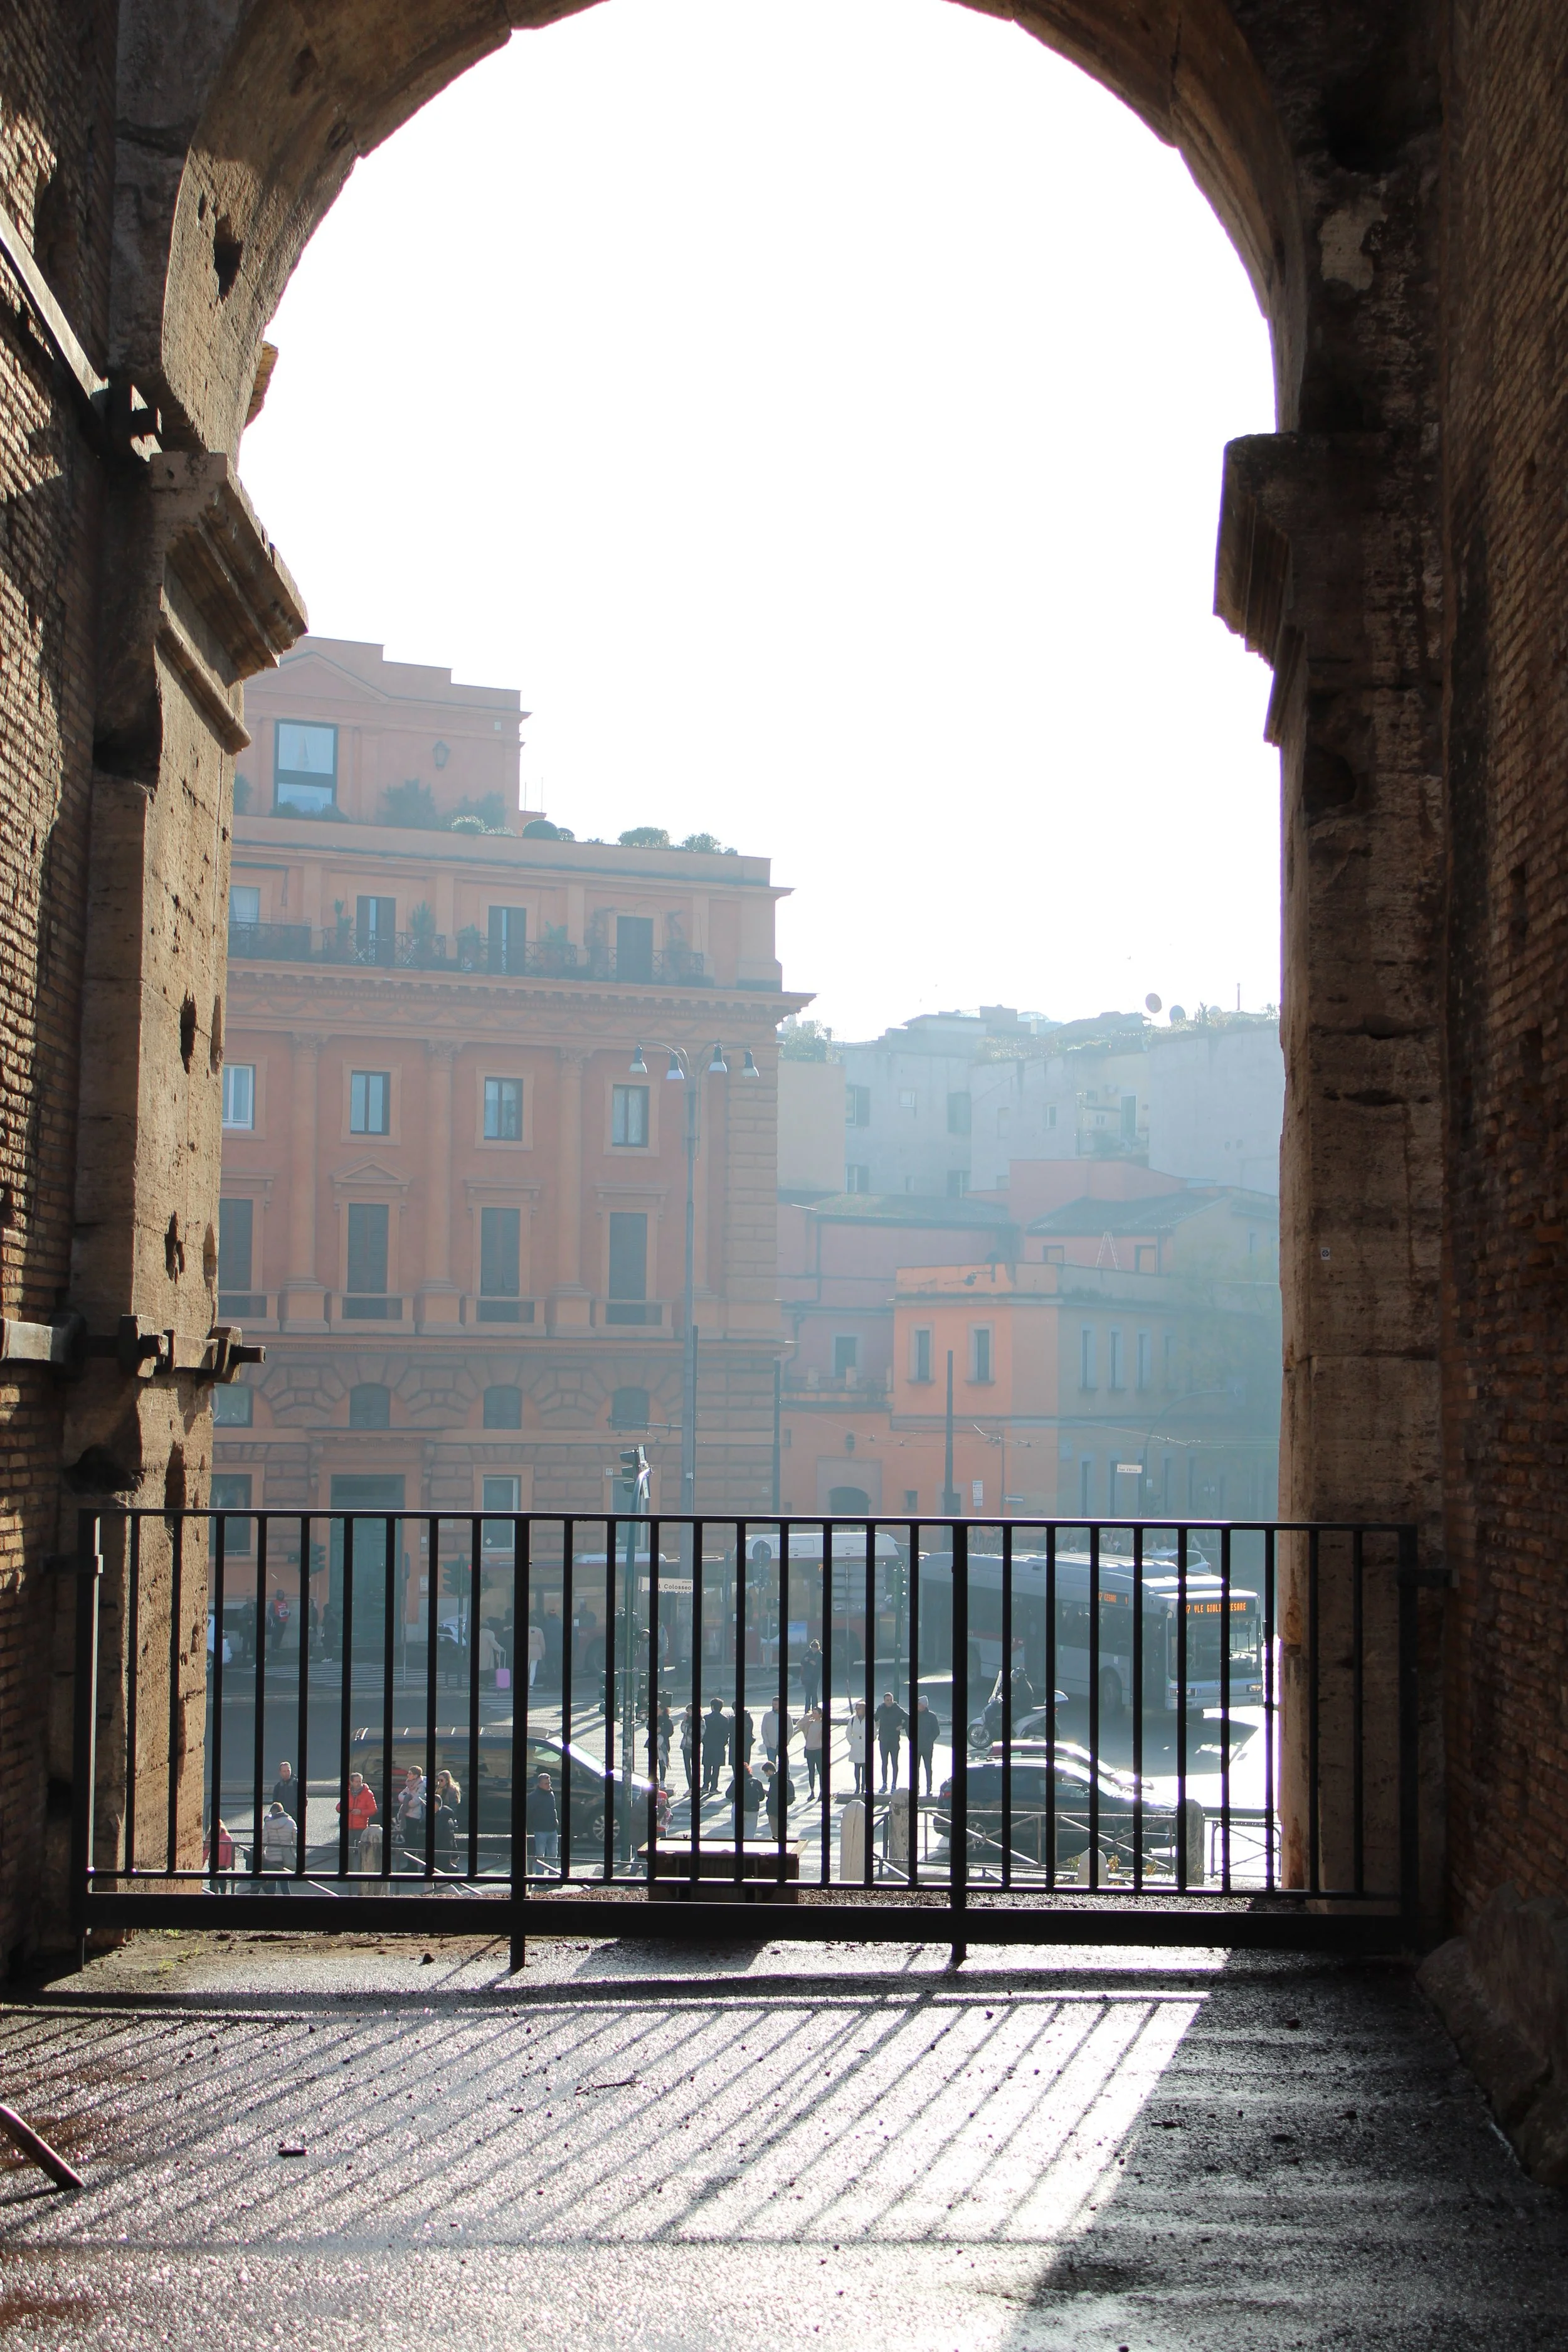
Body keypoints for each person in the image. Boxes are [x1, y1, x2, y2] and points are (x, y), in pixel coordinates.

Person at [337, 1769, 378, 1868]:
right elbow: (338, 1807)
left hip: (361, 1826)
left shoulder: (368, 1794)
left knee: (362, 1852)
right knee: (347, 1852)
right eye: (357, 1781)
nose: (359, 1783)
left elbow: (373, 1810)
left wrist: (361, 1812)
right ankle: (347, 1872)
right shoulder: (347, 1793)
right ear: (352, 1782)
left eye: (360, 1781)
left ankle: (361, 1873)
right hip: (348, 1826)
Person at [875, 1691, 908, 1793]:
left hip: (894, 1740)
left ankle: (894, 1784)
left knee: (894, 1762)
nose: (889, 1702)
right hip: (883, 1740)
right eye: (887, 1700)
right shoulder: (881, 1708)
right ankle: (884, 1784)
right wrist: (877, 1723)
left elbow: (908, 1717)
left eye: (891, 1700)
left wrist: (902, 1726)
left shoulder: (897, 1709)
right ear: (884, 1701)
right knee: (884, 1763)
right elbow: (876, 1718)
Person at [394, 1767, 426, 1870]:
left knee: (412, 1842)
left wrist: (407, 1800)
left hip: (415, 1817)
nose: (408, 1775)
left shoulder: (421, 1786)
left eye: (410, 1773)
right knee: (407, 1841)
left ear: (416, 1775)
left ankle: (413, 1866)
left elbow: (416, 1802)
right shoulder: (409, 1784)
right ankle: (410, 1865)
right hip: (407, 1815)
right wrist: (407, 1799)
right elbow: (400, 1796)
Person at [260, 1799, 295, 1887]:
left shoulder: (268, 1824)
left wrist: (261, 1852)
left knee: (271, 1882)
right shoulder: (290, 1822)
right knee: (285, 1883)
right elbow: (296, 1839)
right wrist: (294, 1851)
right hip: (286, 1855)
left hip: (271, 1855)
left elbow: (263, 1840)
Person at [527, 1772, 559, 1870]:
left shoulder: (551, 1794)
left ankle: (553, 1876)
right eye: (546, 1783)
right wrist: (532, 1827)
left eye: (549, 1783)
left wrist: (555, 1822)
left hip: (552, 1830)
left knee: (554, 1855)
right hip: (540, 1830)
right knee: (540, 1856)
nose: (549, 1785)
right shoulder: (533, 1797)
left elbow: (553, 1809)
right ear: (540, 1784)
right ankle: (540, 1880)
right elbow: (529, 1813)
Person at [701, 1699, 729, 1795]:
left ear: (712, 1706)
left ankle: (705, 1786)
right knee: (716, 1768)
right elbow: (726, 1734)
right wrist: (723, 1744)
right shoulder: (724, 1719)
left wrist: (704, 1742)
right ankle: (714, 1787)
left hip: (708, 1746)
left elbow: (703, 1732)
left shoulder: (706, 1718)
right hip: (719, 1747)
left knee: (707, 1767)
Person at [914, 1696, 941, 1796]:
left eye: (919, 1704)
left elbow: (936, 1731)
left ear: (924, 1705)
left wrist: (929, 1741)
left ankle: (929, 1788)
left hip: (927, 1748)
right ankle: (916, 1788)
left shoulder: (932, 1716)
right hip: (916, 1747)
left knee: (928, 1768)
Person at [762, 1758, 795, 1838]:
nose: (766, 1775)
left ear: (769, 1771)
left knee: (776, 1833)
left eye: (766, 1772)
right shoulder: (780, 1777)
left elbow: (774, 1795)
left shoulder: (774, 1780)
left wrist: (765, 1792)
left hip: (774, 1809)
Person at [845, 1700, 869, 1797]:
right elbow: (848, 1732)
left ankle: (864, 1787)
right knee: (857, 1768)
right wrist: (852, 1742)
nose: (857, 1710)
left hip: (865, 1746)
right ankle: (857, 1786)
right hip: (856, 1746)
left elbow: (874, 1732)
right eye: (857, 1709)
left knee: (865, 1769)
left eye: (859, 1709)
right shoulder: (852, 1720)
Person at [801, 1705, 825, 1801]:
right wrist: (808, 1716)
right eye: (813, 1713)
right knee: (811, 1771)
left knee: (820, 1772)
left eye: (815, 1713)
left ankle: (822, 1792)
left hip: (818, 1750)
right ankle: (812, 1792)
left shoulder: (822, 1724)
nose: (814, 1715)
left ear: (820, 1715)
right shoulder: (809, 1723)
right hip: (809, 1750)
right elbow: (799, 1724)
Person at [760, 1702, 793, 1766]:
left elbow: (791, 1731)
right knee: (771, 1767)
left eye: (776, 1704)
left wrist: (787, 1742)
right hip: (771, 1746)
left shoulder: (787, 1716)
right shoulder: (767, 1716)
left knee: (785, 1765)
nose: (774, 1706)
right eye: (773, 1704)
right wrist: (767, 1742)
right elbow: (763, 1730)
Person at [270, 1759, 301, 1823]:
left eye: (288, 1771)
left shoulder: (297, 1784)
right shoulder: (278, 1786)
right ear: (280, 1773)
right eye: (284, 1771)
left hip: (295, 1817)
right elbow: (275, 1803)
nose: (287, 1773)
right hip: (281, 1817)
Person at [800, 1638, 823, 1712]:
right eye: (813, 1648)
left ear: (818, 1648)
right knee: (808, 1695)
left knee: (814, 1694)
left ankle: (815, 1710)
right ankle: (807, 1711)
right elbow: (802, 1661)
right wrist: (805, 1660)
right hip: (807, 1677)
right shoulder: (808, 1653)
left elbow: (816, 1664)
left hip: (815, 1677)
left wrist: (808, 1660)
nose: (814, 1650)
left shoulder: (820, 1655)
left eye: (815, 1648)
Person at [267, 1586, 291, 1657]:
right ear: (277, 1595)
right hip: (277, 1622)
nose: (282, 1596)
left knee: (280, 1635)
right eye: (280, 1594)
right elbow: (270, 1612)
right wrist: (275, 1616)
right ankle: (273, 1648)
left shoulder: (285, 1603)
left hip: (284, 1621)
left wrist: (289, 1613)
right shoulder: (274, 1603)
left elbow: (287, 1610)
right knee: (275, 1635)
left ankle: (277, 1648)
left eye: (283, 1594)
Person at [679, 1703, 699, 1793]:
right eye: (688, 1711)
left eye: (690, 1711)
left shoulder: (700, 1720)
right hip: (686, 1746)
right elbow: (683, 1730)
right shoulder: (687, 1721)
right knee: (687, 1767)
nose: (689, 1713)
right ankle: (690, 1786)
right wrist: (684, 1721)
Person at [729, 1705, 755, 1771]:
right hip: (746, 1747)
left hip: (735, 1747)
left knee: (735, 1767)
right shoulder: (748, 1718)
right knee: (745, 1766)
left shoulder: (733, 1720)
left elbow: (729, 1730)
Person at [528, 1619, 546, 1688]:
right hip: (536, 1649)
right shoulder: (539, 1630)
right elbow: (542, 1642)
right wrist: (543, 1652)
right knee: (533, 1668)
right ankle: (531, 1684)